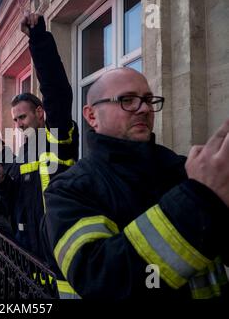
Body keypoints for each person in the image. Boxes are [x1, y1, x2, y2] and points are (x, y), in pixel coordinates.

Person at [43, 66, 229, 299]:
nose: (144, 109)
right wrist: (200, 201)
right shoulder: (69, 189)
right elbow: (102, 278)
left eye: (148, 100)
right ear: (92, 116)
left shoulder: (182, 168)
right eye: (127, 100)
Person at [0, 14, 79, 298]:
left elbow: (57, 93)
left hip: (60, 261)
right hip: (30, 261)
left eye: (22, 117)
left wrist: (38, 40)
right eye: (15, 120)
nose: (18, 124)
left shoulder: (57, 138)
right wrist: (2, 183)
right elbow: (15, 202)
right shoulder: (22, 151)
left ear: (40, 113)